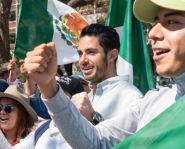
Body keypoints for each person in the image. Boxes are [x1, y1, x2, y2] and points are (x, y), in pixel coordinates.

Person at [23, 0, 185, 148]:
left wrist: (93, 118)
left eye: (172, 22)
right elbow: (97, 142)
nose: (152, 33)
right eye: (155, 22)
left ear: (113, 55)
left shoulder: (130, 97)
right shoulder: (152, 101)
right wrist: (49, 86)